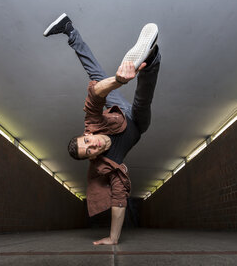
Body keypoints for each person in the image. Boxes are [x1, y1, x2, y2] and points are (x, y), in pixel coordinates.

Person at [43, 13, 161, 245]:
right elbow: (118, 199)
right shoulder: (108, 164)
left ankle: (68, 29)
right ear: (93, 157)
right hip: (137, 123)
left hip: (117, 111)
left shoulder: (93, 124)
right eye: (89, 151)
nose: (93, 145)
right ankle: (152, 59)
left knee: (97, 77)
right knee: (142, 104)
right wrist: (113, 238)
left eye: (87, 142)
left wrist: (119, 80)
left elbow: (95, 97)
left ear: (87, 135)